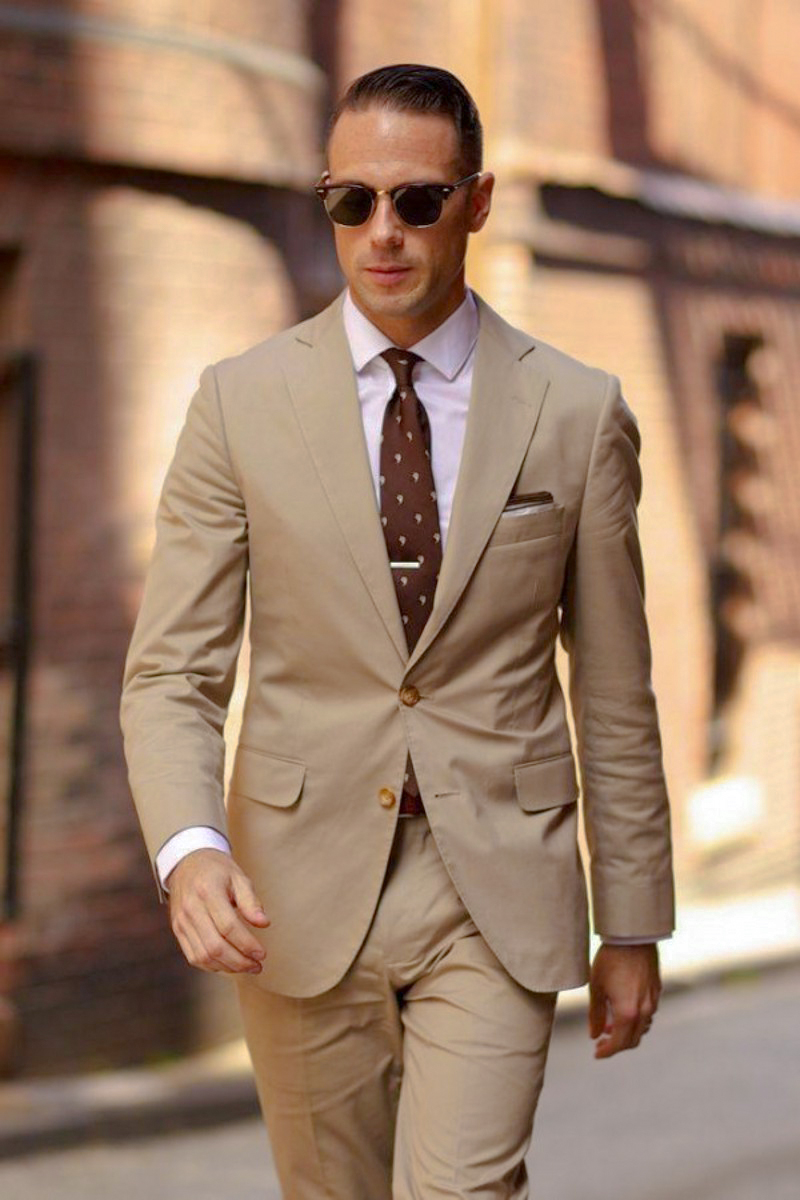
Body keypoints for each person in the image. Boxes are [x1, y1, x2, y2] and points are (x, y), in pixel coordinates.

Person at [121, 63, 674, 1199]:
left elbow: (613, 689)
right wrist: (188, 849)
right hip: (295, 880)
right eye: (350, 202)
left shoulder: (573, 412)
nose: (381, 233)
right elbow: (172, 670)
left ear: (473, 204)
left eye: (416, 201)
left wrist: (631, 921)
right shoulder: (240, 403)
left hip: (495, 884)